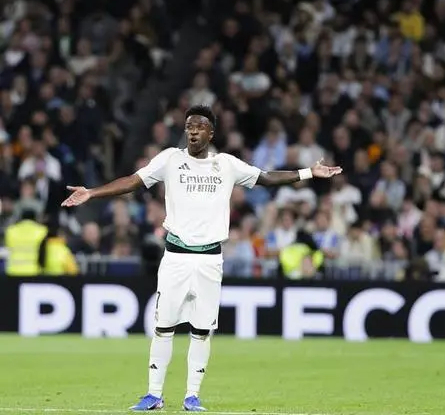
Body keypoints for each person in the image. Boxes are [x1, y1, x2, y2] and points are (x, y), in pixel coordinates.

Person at [61, 105, 342, 412]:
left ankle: (192, 396)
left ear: (211, 133)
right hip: (175, 257)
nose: (193, 131)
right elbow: (132, 181)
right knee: (163, 327)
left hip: (209, 260)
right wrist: (92, 192)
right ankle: (154, 394)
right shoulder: (170, 159)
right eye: (189, 126)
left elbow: (266, 178)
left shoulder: (226, 164)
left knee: (202, 329)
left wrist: (308, 172)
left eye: (199, 127)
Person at [4, 208, 48, 276]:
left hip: (13, 270)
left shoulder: (10, 230)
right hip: (33, 270)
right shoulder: (42, 231)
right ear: (35, 218)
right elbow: (43, 252)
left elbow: (7, 246)